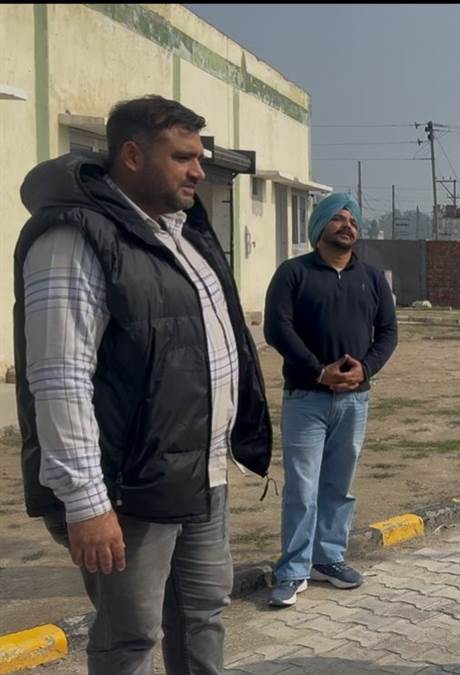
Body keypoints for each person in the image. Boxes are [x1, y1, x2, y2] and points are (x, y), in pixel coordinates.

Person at [14, 94, 272, 674]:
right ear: (131, 155)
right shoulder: (74, 237)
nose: (198, 171)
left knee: (204, 616)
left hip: (200, 476)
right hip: (128, 492)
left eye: (199, 157)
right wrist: (86, 503)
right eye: (182, 157)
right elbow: (58, 378)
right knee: (131, 637)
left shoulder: (183, 234)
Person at [264, 192, 398, 607]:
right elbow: (277, 329)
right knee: (302, 488)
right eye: (338, 218)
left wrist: (366, 369)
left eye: (353, 220)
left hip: (355, 402)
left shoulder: (371, 278)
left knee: (339, 485)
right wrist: (317, 370)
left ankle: (328, 558)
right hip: (306, 398)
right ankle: (293, 570)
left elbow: (388, 332)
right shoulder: (294, 274)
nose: (347, 226)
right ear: (320, 226)